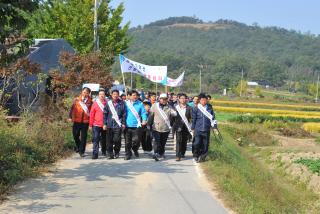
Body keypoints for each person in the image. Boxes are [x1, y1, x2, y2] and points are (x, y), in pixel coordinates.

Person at [148, 93, 177, 161]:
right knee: (156, 141)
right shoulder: (155, 106)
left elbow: (175, 114)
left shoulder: (169, 107)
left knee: (163, 142)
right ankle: (155, 153)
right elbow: (151, 115)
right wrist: (149, 124)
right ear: (159, 99)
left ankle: (161, 153)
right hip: (156, 127)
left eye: (165, 99)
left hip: (166, 128)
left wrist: (174, 107)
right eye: (162, 99)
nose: (164, 100)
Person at [69, 87, 93, 157]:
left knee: (84, 137)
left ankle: (81, 151)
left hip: (85, 121)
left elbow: (91, 112)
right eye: (84, 92)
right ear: (82, 92)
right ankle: (79, 146)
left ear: (89, 94)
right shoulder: (76, 100)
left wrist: (91, 123)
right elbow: (72, 109)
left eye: (87, 93)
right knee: (75, 135)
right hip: (76, 120)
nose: (85, 94)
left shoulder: (90, 102)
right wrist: (70, 117)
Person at [191, 93, 215, 163]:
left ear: (207, 100)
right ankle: (196, 155)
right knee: (197, 143)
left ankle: (202, 156)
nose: (203, 101)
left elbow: (213, 118)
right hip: (198, 129)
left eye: (205, 100)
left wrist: (214, 126)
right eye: (202, 100)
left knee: (205, 144)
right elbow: (194, 119)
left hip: (206, 129)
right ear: (199, 101)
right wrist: (193, 128)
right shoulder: (196, 108)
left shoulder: (210, 108)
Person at [124, 90, 148, 160]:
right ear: (130, 96)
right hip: (127, 125)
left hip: (137, 125)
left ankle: (135, 149)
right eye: (133, 95)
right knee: (127, 142)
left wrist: (144, 120)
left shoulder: (140, 104)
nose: (135, 97)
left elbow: (143, 113)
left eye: (136, 95)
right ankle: (128, 154)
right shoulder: (126, 104)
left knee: (137, 140)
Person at [103, 89, 126, 159]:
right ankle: (110, 154)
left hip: (118, 125)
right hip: (109, 125)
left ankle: (116, 152)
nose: (115, 95)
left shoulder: (122, 103)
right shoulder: (108, 103)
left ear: (118, 95)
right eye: (114, 94)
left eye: (116, 94)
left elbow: (124, 114)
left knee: (117, 140)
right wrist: (104, 124)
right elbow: (105, 114)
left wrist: (123, 123)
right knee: (109, 141)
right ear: (111, 95)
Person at [173, 93, 192, 161]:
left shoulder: (189, 108)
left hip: (186, 127)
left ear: (186, 99)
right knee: (178, 141)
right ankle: (178, 155)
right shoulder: (176, 107)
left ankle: (182, 153)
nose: (183, 100)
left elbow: (191, 117)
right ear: (179, 99)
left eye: (184, 98)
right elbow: (173, 117)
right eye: (181, 98)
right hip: (178, 126)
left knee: (184, 141)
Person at [89, 89, 107, 159]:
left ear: (105, 95)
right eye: (100, 94)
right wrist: (90, 125)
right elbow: (92, 114)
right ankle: (95, 153)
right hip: (96, 124)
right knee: (95, 139)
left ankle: (104, 150)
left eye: (103, 94)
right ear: (98, 95)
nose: (102, 95)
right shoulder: (95, 103)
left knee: (104, 139)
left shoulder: (108, 103)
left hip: (105, 125)